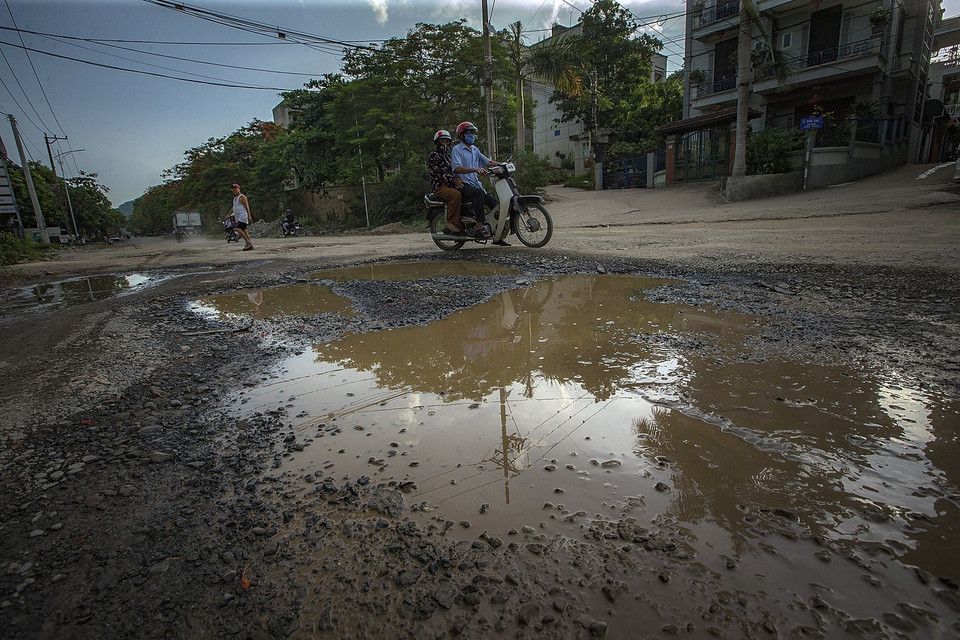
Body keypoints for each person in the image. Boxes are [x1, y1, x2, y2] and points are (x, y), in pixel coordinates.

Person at [450, 121, 509, 245]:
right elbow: (457, 168)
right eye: (468, 133)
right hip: (463, 185)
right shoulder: (457, 149)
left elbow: (487, 162)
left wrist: (503, 164)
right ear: (461, 135)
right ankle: (479, 225)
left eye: (473, 133)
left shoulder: (475, 150)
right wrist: (475, 169)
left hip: (475, 184)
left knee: (496, 205)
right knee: (478, 194)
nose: (472, 135)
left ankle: (497, 235)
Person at [427, 129, 469, 235]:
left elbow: (454, 170)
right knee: (455, 195)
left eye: (447, 141)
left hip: (450, 184)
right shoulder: (434, 155)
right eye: (442, 141)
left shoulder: (449, 157)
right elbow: (440, 173)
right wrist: (454, 180)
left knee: (468, 192)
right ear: (437, 142)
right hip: (440, 187)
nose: (445, 144)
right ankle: (451, 222)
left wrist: (459, 179)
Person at [226, 183, 254, 250]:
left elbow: (247, 206)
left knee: (237, 229)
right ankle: (250, 245)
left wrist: (249, 216)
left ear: (239, 189)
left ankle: (247, 242)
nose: (234, 190)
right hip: (237, 217)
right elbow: (234, 207)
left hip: (242, 215)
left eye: (235, 188)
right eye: (233, 189)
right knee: (244, 230)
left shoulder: (242, 197)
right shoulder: (235, 198)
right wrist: (229, 214)